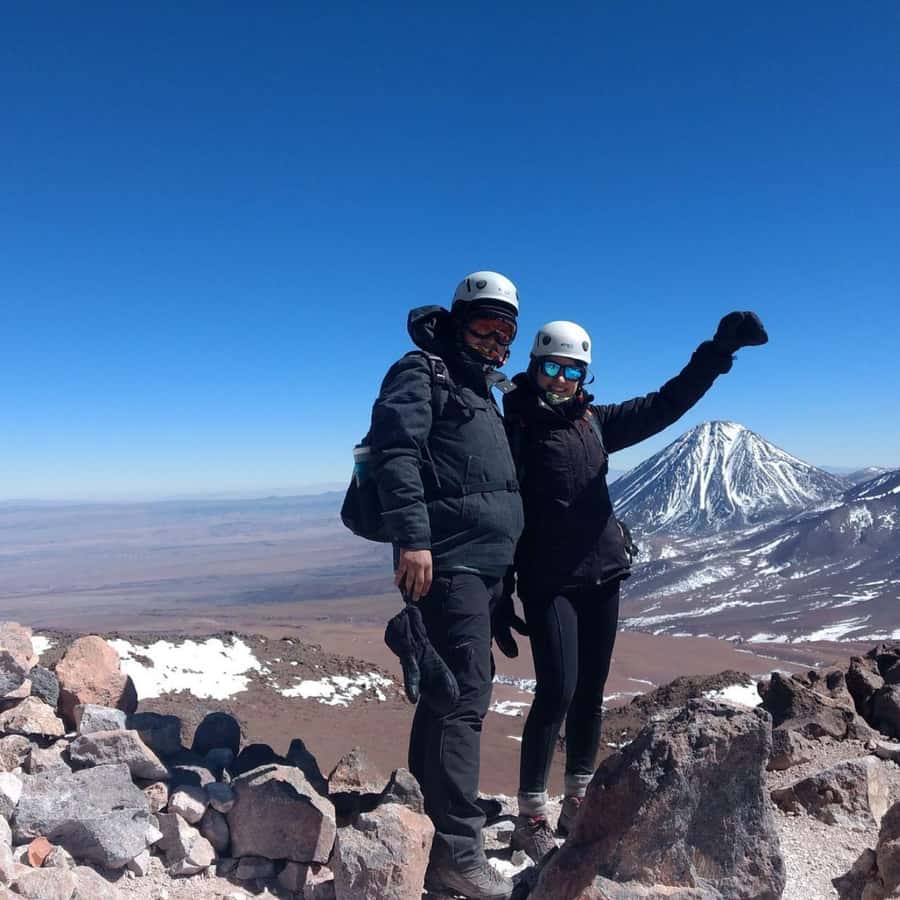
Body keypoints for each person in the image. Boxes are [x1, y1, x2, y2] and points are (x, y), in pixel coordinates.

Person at [495, 312, 768, 862]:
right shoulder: (513, 432)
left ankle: (576, 799)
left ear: (584, 375)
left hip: (603, 574)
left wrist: (716, 353)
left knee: (590, 693)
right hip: (551, 582)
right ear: (532, 367)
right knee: (558, 690)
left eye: (571, 370)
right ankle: (530, 815)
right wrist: (501, 590)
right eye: (549, 367)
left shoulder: (595, 422)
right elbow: (497, 514)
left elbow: (668, 403)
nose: (559, 379)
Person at [369, 271, 525, 900]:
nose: (495, 341)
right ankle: (458, 853)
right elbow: (396, 450)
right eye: (484, 326)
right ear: (458, 322)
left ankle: (429, 820)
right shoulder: (422, 371)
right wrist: (413, 538)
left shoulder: (482, 389)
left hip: (482, 569)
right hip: (447, 562)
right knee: (465, 699)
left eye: (505, 330)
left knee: (443, 690)